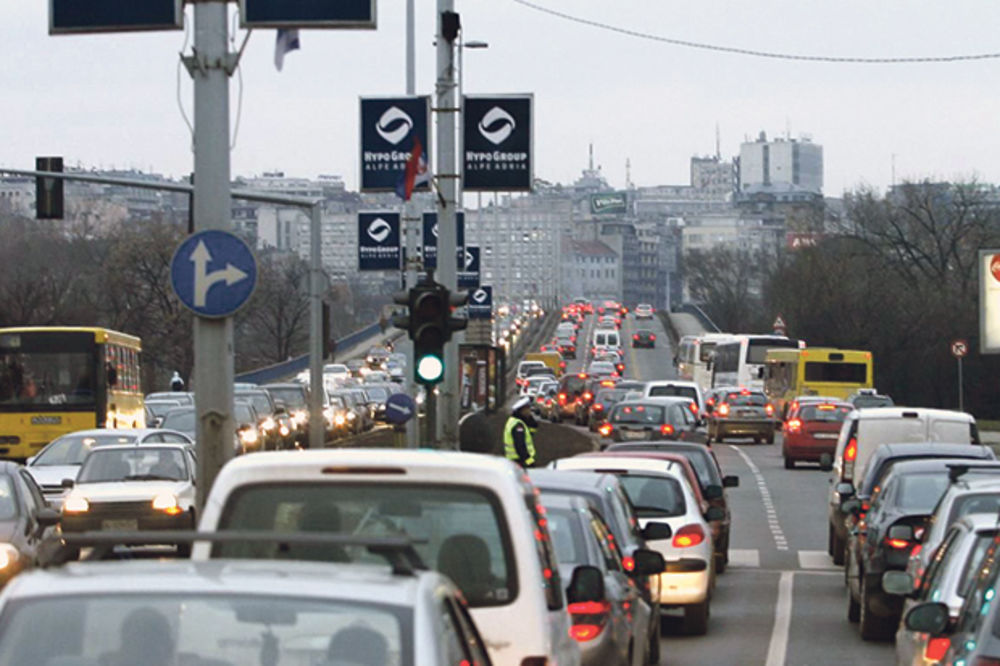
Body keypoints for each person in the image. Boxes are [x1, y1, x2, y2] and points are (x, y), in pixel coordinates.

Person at [503, 396, 538, 468]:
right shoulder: (518, 425)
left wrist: (530, 418)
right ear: (522, 410)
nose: (529, 411)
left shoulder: (516, 421)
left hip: (515, 461)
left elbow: (532, 430)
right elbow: (520, 445)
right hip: (519, 461)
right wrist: (529, 461)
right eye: (527, 409)